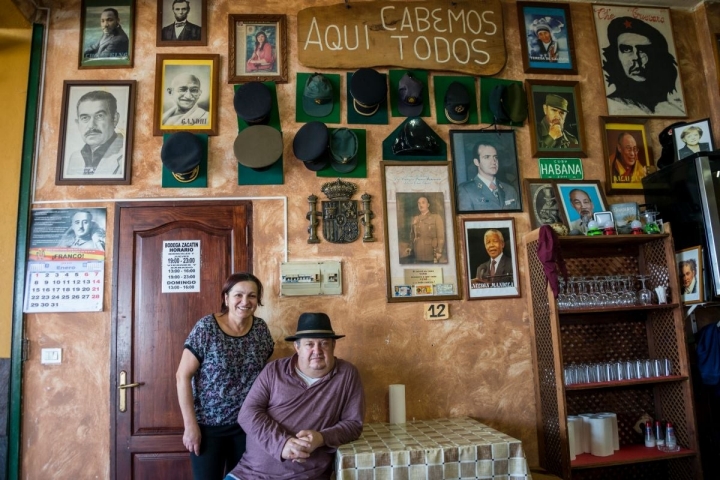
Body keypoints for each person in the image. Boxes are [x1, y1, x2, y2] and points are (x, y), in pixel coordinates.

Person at [227, 312, 365, 480]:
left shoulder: (346, 375)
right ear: (297, 347)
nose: (317, 351)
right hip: (249, 474)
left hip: (305, 476)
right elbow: (247, 414)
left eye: (324, 344)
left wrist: (322, 438)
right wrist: (281, 444)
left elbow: (353, 425)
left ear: (334, 345)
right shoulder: (273, 371)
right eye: (309, 344)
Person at [176, 273, 274, 480]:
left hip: (247, 426)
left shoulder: (261, 330)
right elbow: (182, 376)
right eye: (238, 295)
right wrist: (190, 425)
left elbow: (267, 375)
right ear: (226, 298)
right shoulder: (206, 328)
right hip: (208, 428)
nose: (245, 302)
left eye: (252, 296)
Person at [602, 16, 684, 115]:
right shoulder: (614, 105)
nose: (636, 57)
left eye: (643, 50)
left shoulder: (673, 109)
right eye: (627, 49)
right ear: (615, 56)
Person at [66, 90, 125, 177]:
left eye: (99, 116)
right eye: (85, 117)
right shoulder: (74, 158)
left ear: (115, 119)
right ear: (78, 123)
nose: (91, 125)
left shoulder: (127, 155)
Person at [457, 142, 519, 211]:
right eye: (487, 157)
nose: (493, 161)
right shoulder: (466, 190)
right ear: (476, 162)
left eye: (495, 157)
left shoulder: (509, 190)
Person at [405, 195, 445, 263]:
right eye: (419, 203)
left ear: (428, 204)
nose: (421, 205)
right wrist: (410, 247)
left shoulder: (436, 218)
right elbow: (412, 235)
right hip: (417, 252)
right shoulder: (415, 219)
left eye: (423, 202)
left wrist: (439, 251)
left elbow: (440, 236)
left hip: (431, 252)